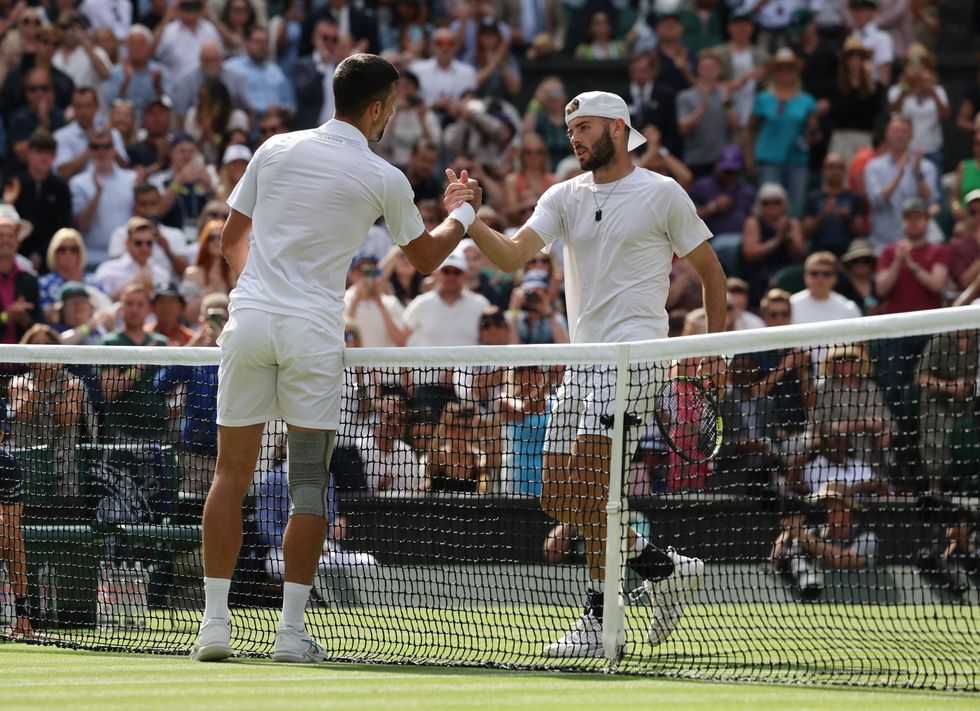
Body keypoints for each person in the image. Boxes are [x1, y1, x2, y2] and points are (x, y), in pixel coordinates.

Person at [191, 53, 487, 664]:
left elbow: (229, 242)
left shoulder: (272, 149)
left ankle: (214, 627)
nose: (394, 116)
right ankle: (290, 634)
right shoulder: (384, 177)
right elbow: (427, 259)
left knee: (229, 476)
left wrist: (259, 296)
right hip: (312, 336)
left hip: (249, 324)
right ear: (377, 109)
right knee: (307, 485)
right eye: (394, 106)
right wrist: (461, 209)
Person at [446, 90, 727, 658]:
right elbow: (510, 255)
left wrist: (715, 349)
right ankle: (666, 568)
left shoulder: (662, 192)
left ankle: (601, 621)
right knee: (558, 495)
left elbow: (711, 274)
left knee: (597, 489)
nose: (574, 137)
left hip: (635, 358)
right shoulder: (562, 196)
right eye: (570, 129)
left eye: (586, 127)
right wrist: (470, 219)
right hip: (582, 362)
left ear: (619, 129)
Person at [863, 114, 937, 256]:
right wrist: (898, 175)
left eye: (904, 131)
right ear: (886, 134)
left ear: (911, 135)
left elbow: (930, 201)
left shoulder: (926, 167)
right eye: (895, 131)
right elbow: (877, 202)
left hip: (919, 245)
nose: (900, 135)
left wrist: (918, 175)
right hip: (883, 244)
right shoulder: (873, 167)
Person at [0, 405, 30, 638]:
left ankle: (21, 619)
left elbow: (13, 540)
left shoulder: (7, 467)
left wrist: (22, 612)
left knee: (6, 531)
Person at [802, 153, 867, 257]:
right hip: (819, 253)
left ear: (845, 171)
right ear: (823, 170)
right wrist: (822, 216)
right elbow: (806, 232)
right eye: (831, 167)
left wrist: (847, 218)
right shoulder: (813, 198)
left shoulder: (854, 198)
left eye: (840, 167)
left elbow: (860, 232)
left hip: (848, 254)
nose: (835, 171)